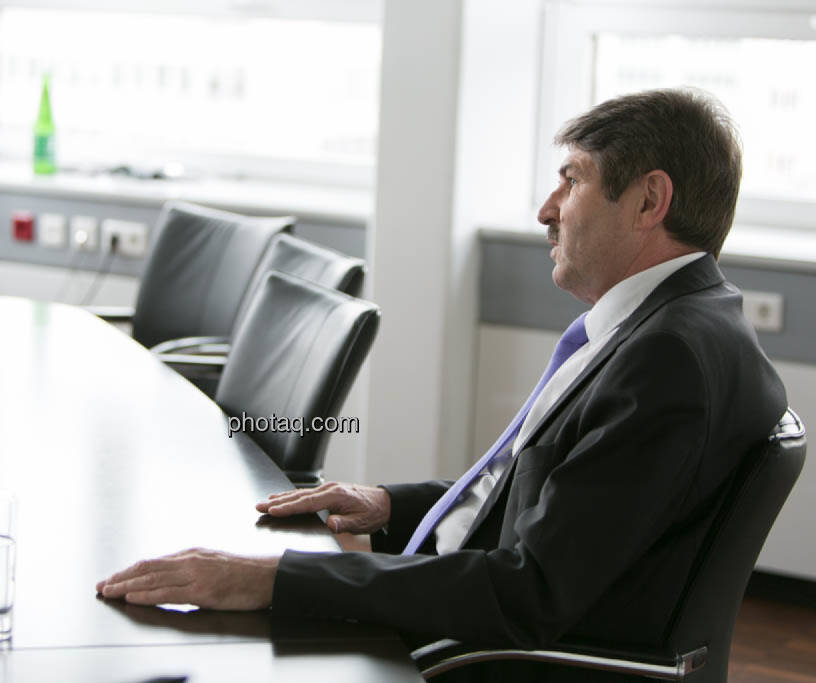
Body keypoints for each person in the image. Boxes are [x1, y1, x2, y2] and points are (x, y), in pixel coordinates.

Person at [96, 89, 787, 678]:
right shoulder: (675, 325)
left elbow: (527, 591)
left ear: (649, 200)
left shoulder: (668, 361)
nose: (547, 210)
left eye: (572, 181)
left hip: (497, 657)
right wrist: (388, 505)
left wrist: (274, 578)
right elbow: (550, 502)